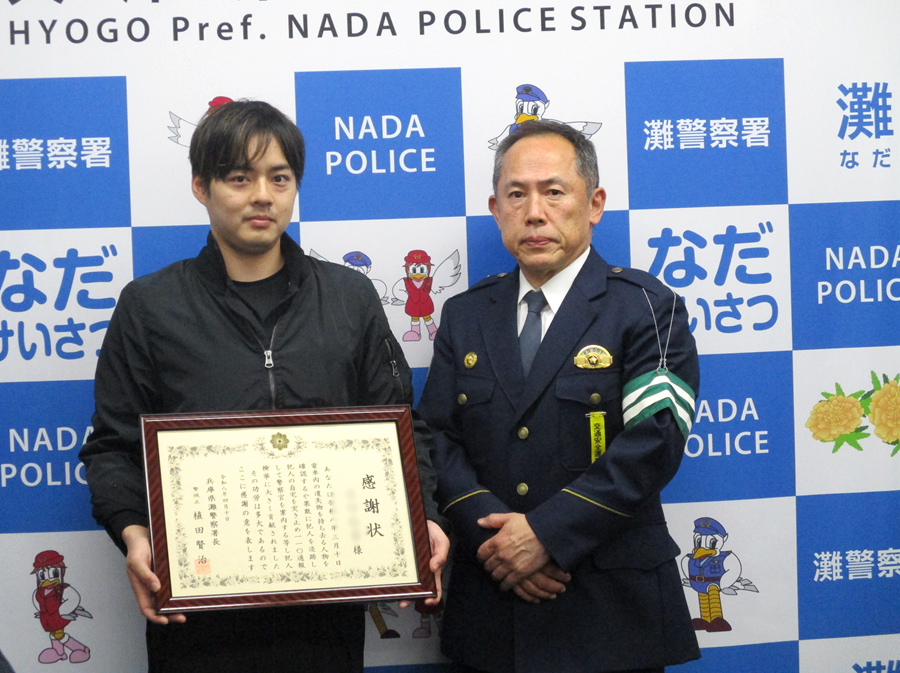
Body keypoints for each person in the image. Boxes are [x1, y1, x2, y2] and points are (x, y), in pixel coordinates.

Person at [79, 100, 448, 673]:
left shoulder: (349, 297)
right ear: (200, 187)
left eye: (279, 178)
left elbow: (401, 427)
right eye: (239, 178)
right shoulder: (150, 306)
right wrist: (134, 533)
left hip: (326, 610)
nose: (262, 196)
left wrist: (425, 519)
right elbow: (111, 447)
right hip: (198, 619)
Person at [417, 119, 701, 673]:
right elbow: (436, 440)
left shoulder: (646, 307)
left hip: (610, 611)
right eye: (516, 195)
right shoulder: (465, 315)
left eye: (553, 192)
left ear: (594, 204)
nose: (534, 212)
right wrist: (498, 540)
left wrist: (545, 535)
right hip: (492, 608)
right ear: (495, 208)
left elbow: (654, 442)